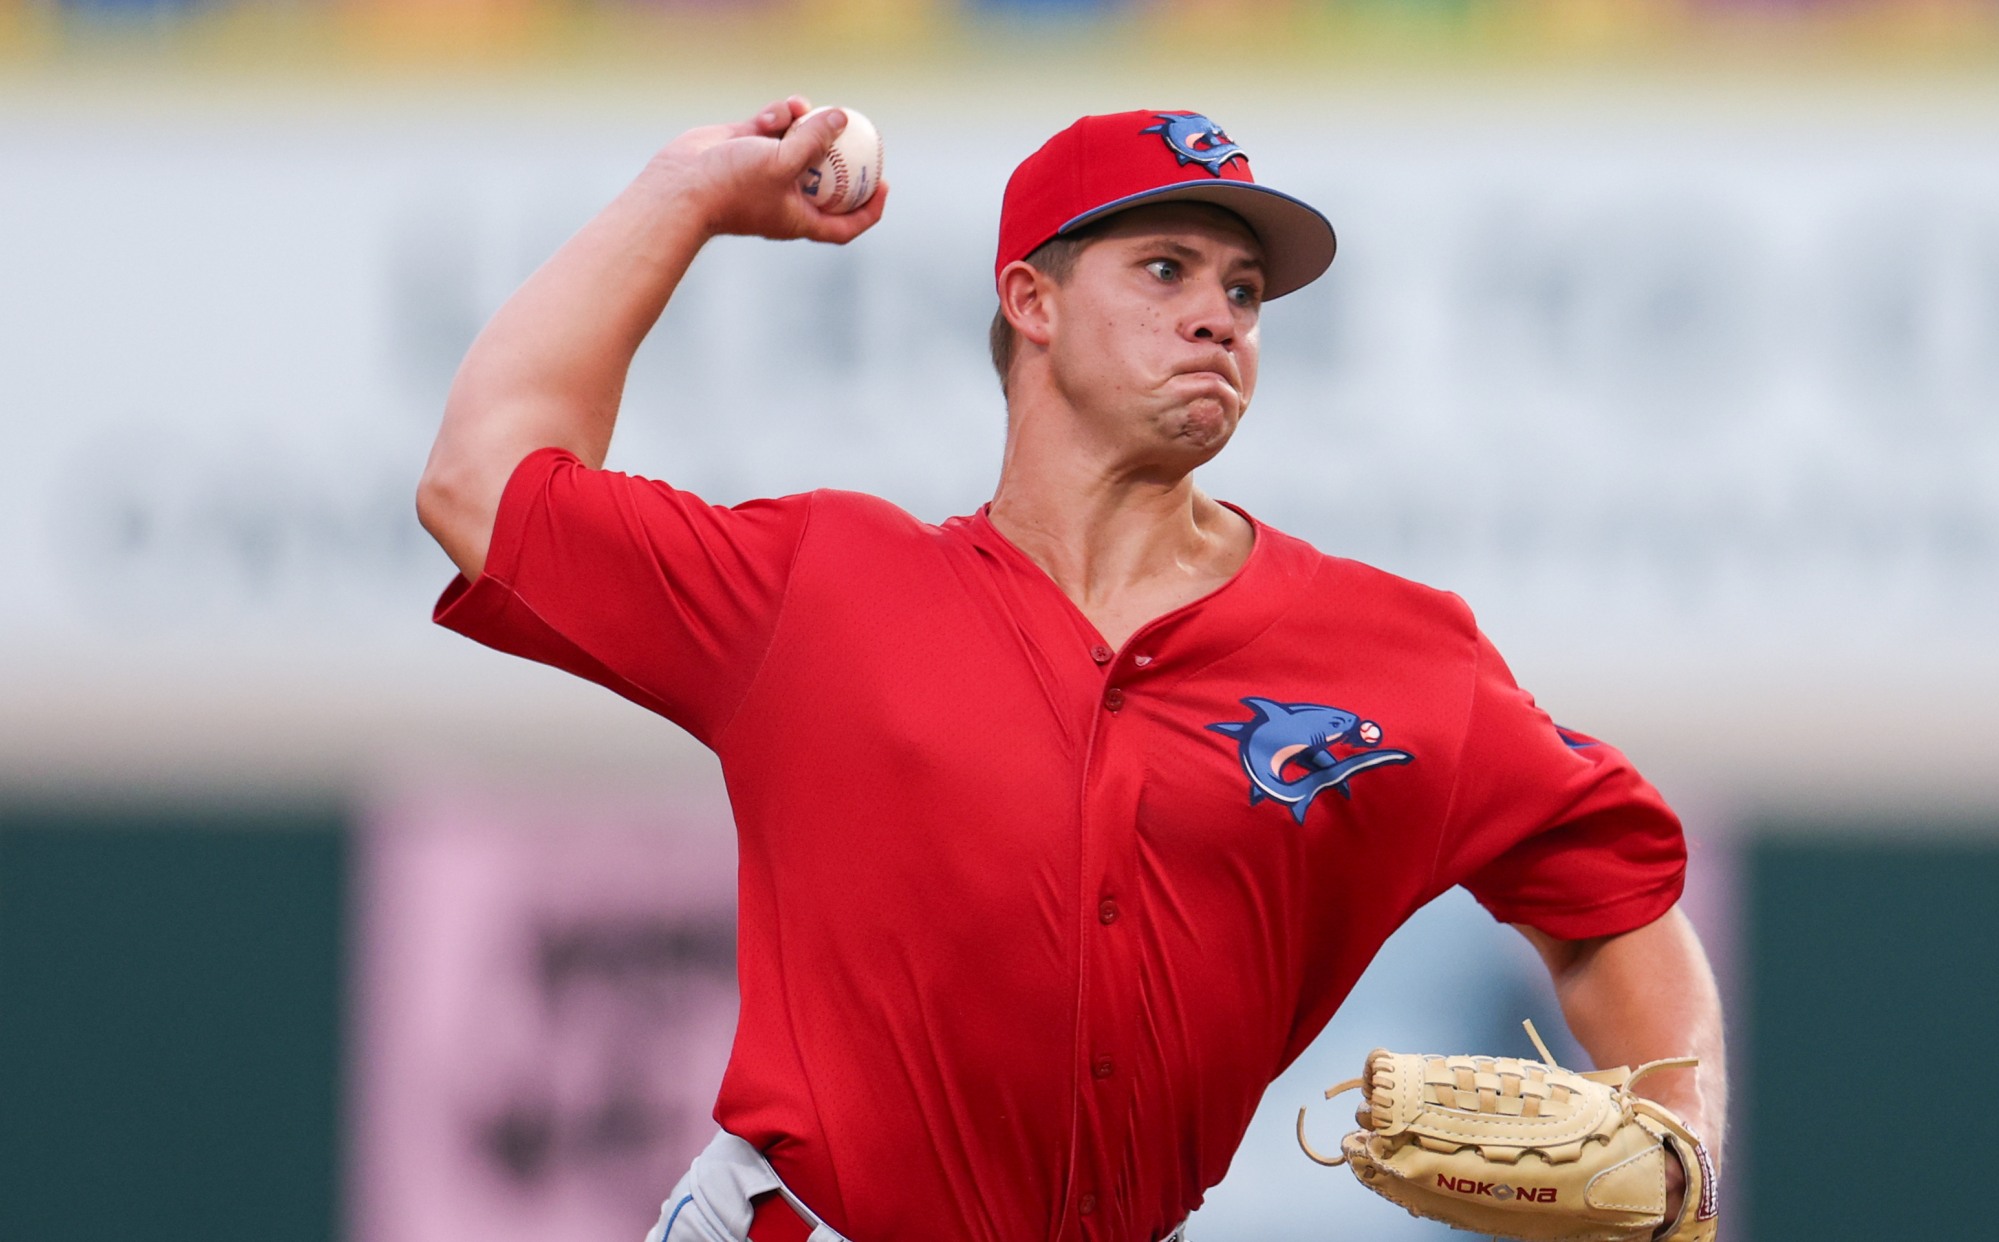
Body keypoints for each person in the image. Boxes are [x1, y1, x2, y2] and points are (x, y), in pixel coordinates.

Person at [416, 99, 1727, 1242]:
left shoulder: (1396, 654)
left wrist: (1682, 1156)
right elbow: (481, 480)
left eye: (1244, 291)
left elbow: (1613, 898)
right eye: (1165, 268)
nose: (1217, 316)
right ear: (1031, 302)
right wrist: (685, 196)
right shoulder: (821, 590)